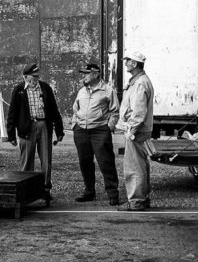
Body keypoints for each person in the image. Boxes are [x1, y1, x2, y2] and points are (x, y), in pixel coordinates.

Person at [6, 63, 64, 205]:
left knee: (46, 160)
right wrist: (11, 135)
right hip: (26, 128)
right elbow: (12, 113)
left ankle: (45, 189)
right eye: (34, 76)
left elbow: (54, 110)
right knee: (26, 161)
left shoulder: (45, 88)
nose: (36, 78)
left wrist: (59, 130)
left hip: (43, 125)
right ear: (25, 77)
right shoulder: (19, 90)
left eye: (38, 76)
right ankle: (25, 190)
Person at [71, 63, 121, 206]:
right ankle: (89, 192)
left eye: (86, 73)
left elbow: (115, 111)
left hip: (100, 131)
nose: (83, 76)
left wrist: (108, 128)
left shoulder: (107, 90)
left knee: (106, 162)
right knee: (85, 162)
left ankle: (113, 194)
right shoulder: (82, 91)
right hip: (81, 131)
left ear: (96, 74)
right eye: (83, 73)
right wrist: (75, 125)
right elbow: (75, 108)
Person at [114, 50, 154, 211]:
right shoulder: (140, 81)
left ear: (135, 64)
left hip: (136, 131)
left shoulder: (139, 83)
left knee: (134, 167)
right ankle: (142, 198)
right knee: (141, 165)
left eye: (128, 61)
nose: (126, 63)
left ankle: (136, 200)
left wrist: (131, 130)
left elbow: (138, 111)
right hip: (139, 130)